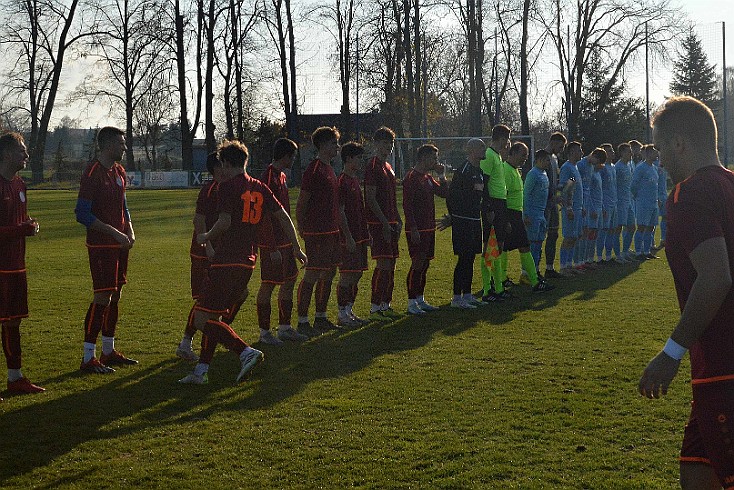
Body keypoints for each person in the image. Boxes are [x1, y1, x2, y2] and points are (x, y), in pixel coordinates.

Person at [638, 96, 734, 490]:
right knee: (696, 474)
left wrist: (671, 353)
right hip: (716, 366)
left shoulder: (687, 195)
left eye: (660, 148)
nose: (659, 159)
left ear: (679, 143)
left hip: (723, 364)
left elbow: (715, 277)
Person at [179, 139, 306, 384]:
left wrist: (206, 237)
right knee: (214, 317)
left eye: (222, 165)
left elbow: (224, 222)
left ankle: (245, 352)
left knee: (202, 319)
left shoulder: (228, 186)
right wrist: (297, 247)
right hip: (248, 261)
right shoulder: (259, 186)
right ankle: (201, 371)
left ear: (226, 163)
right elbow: (283, 217)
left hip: (227, 259)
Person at [75, 126, 137, 374]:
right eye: (121, 143)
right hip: (102, 245)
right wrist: (113, 232)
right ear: (108, 144)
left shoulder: (119, 171)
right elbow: (82, 213)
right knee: (103, 296)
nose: (124, 147)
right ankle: (88, 356)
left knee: (116, 296)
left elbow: (124, 205)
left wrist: (130, 229)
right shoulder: (92, 172)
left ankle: (108, 350)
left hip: (121, 243)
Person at [0, 132, 45, 395]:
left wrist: (28, 225)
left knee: (13, 322)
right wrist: (22, 230)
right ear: (6, 154)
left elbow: (17, 223)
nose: (26, 155)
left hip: (17, 265)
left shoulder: (19, 185)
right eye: (22, 150)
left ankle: (15, 377)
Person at [255, 138, 308, 345]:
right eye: (292, 156)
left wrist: (294, 245)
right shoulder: (267, 177)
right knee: (268, 285)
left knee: (290, 280)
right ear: (285, 156)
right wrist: (270, 246)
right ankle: (264, 333)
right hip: (273, 244)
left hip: (285, 241)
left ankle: (285, 328)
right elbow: (265, 215)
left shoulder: (282, 176)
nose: (294, 160)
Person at [176, 152, 224, 361]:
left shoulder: (227, 189)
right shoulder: (210, 190)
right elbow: (199, 221)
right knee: (204, 301)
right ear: (217, 168)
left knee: (232, 296)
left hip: (220, 253)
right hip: (203, 254)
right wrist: (208, 247)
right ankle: (187, 343)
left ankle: (216, 334)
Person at [296, 127, 343, 336]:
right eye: (334, 143)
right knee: (313, 274)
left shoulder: (331, 169)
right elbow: (302, 202)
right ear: (323, 145)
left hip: (331, 230)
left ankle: (321, 317)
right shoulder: (313, 170)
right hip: (316, 232)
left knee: (330, 272)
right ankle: (303, 321)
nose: (337, 147)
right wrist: (303, 227)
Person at [403, 144, 449, 314]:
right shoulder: (411, 178)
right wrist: (413, 228)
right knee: (417, 263)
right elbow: (407, 206)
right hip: (418, 229)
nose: (435, 161)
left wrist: (442, 176)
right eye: (433, 158)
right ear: (423, 157)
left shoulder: (428, 178)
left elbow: (444, 193)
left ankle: (420, 299)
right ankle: (411, 302)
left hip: (429, 228)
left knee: (426, 263)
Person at [364, 127, 403, 322]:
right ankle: (374, 307)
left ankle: (386, 304)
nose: (388, 146)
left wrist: (397, 218)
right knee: (383, 263)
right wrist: (384, 222)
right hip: (378, 223)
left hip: (391, 221)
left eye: (391, 143)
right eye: (385, 142)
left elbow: (391, 198)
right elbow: (370, 198)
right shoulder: (372, 166)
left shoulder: (388, 167)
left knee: (392, 263)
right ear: (376, 143)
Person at [503, 143, 553, 292]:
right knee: (504, 247)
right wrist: (512, 216)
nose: (525, 158)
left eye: (526, 154)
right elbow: (504, 195)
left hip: (518, 213)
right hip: (512, 214)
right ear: (513, 153)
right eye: (523, 154)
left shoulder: (516, 171)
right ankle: (501, 279)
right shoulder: (507, 170)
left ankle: (533, 278)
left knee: (524, 246)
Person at [446, 138, 486, 309]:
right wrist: (455, 217)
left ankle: (468, 294)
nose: (484, 150)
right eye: (481, 147)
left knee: (471, 257)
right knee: (463, 258)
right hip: (463, 221)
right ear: (472, 150)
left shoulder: (479, 171)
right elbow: (452, 196)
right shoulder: (463, 169)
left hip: (475, 220)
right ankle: (456, 297)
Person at [336, 142, 371, 327]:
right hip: (348, 236)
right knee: (347, 274)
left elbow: (360, 209)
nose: (361, 161)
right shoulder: (342, 181)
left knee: (357, 274)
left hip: (359, 235)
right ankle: (341, 313)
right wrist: (347, 236)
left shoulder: (355, 180)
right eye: (358, 157)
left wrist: (366, 233)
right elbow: (340, 211)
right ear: (348, 159)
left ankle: (349, 310)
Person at [479, 124, 511, 302]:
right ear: (501, 138)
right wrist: (489, 207)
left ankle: (497, 286)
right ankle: (487, 289)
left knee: (498, 245)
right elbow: (484, 183)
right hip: (494, 205)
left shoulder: (498, 156)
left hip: (501, 203)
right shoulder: (489, 155)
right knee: (488, 246)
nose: (508, 143)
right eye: (507, 138)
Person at [542, 132, 568, 278]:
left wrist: (560, 190)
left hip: (552, 202)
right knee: (540, 236)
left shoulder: (554, 158)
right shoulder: (542, 156)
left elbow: (553, 182)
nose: (561, 149)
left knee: (553, 234)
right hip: (544, 204)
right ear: (552, 142)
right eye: (560, 146)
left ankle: (549, 268)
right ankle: (532, 271)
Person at [557, 141, 584, 275]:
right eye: (579, 150)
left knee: (575, 237)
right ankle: (563, 267)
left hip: (578, 208)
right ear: (572, 152)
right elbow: (565, 189)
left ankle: (569, 265)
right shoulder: (567, 167)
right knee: (568, 238)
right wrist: (568, 208)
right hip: (571, 209)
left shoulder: (575, 167)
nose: (582, 153)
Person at [523, 149, 550, 277]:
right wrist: (526, 214)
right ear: (539, 160)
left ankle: (536, 270)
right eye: (546, 160)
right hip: (533, 214)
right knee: (532, 244)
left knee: (539, 243)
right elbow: (526, 194)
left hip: (541, 214)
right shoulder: (532, 174)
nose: (548, 162)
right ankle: (527, 273)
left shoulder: (544, 173)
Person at [631, 144, 660, 260]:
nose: (657, 154)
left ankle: (647, 251)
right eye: (654, 152)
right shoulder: (640, 167)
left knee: (651, 227)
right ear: (647, 154)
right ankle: (638, 252)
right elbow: (633, 185)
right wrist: (639, 197)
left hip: (653, 202)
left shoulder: (653, 168)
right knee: (642, 226)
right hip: (643, 202)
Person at [614, 143, 635, 262]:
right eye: (628, 151)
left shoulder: (629, 166)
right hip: (620, 202)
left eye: (631, 151)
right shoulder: (618, 167)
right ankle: (617, 255)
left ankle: (625, 251)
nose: (631, 154)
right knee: (618, 228)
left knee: (632, 227)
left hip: (629, 201)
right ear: (622, 153)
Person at [585, 148, 607, 264]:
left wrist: (602, 207)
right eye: (599, 163)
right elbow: (587, 191)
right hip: (592, 208)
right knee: (590, 233)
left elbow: (599, 192)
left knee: (596, 234)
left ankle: (591, 258)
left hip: (599, 207)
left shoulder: (597, 173)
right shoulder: (589, 171)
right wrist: (592, 208)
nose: (600, 165)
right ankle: (586, 259)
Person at [598, 143, 618, 263]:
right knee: (603, 231)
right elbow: (599, 187)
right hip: (605, 203)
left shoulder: (613, 166)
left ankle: (608, 256)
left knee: (612, 230)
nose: (613, 153)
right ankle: (599, 257)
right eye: (609, 151)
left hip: (613, 202)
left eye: (612, 150)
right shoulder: (602, 168)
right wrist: (602, 206)